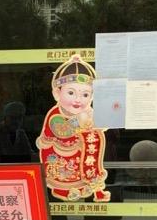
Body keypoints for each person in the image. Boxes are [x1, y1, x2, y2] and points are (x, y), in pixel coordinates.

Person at [36, 54, 111, 202]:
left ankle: (93, 186)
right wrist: (78, 121)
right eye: (71, 93)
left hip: (83, 158)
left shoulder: (88, 112)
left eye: (85, 95)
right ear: (57, 94)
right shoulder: (55, 114)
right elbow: (62, 130)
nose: (78, 100)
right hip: (62, 157)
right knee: (65, 175)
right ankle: (64, 190)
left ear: (92, 97)